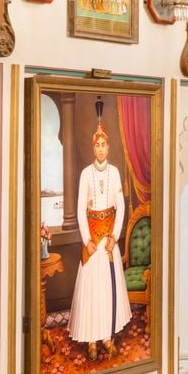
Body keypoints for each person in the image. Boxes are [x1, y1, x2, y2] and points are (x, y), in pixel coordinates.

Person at [71, 124, 132, 358]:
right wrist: (87, 239)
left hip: (108, 240)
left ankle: (107, 336)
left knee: (108, 289)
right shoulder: (86, 173)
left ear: (109, 147)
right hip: (93, 241)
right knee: (93, 290)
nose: (100, 149)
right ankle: (92, 340)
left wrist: (115, 236)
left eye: (104, 145)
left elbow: (121, 206)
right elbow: (79, 210)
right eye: (97, 145)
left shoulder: (115, 172)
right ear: (92, 148)